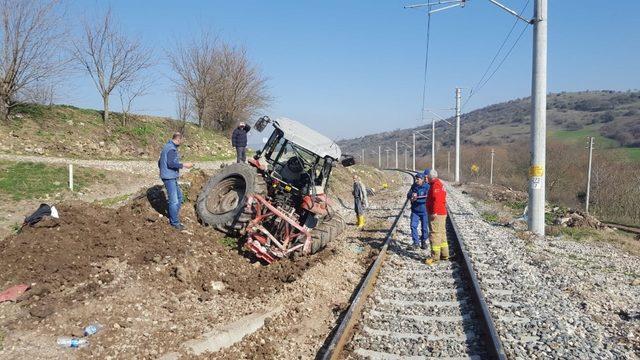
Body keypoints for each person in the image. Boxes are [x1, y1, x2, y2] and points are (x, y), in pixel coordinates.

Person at [158, 132, 193, 230]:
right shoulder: (171, 149)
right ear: (178, 139)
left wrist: (162, 170)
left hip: (169, 176)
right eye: (181, 141)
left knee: (179, 197)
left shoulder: (167, 146)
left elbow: (159, 162)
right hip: (169, 178)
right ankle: (175, 222)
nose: (181, 142)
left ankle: (173, 215)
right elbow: (171, 164)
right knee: (174, 200)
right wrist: (184, 165)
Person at [425, 169, 448, 265]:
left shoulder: (435, 186)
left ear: (431, 177)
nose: (426, 178)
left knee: (434, 234)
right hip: (441, 213)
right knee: (441, 233)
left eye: (427, 177)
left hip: (437, 214)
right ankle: (444, 254)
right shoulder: (438, 184)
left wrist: (434, 212)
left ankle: (435, 257)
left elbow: (437, 200)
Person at [407, 173, 430, 250]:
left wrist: (418, 198)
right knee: (413, 226)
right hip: (415, 211)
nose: (416, 180)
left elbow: (429, 198)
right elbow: (408, 195)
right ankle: (416, 243)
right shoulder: (414, 186)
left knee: (424, 228)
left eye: (418, 179)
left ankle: (423, 241)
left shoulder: (427, 187)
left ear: (423, 179)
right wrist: (411, 195)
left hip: (424, 211)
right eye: (416, 179)